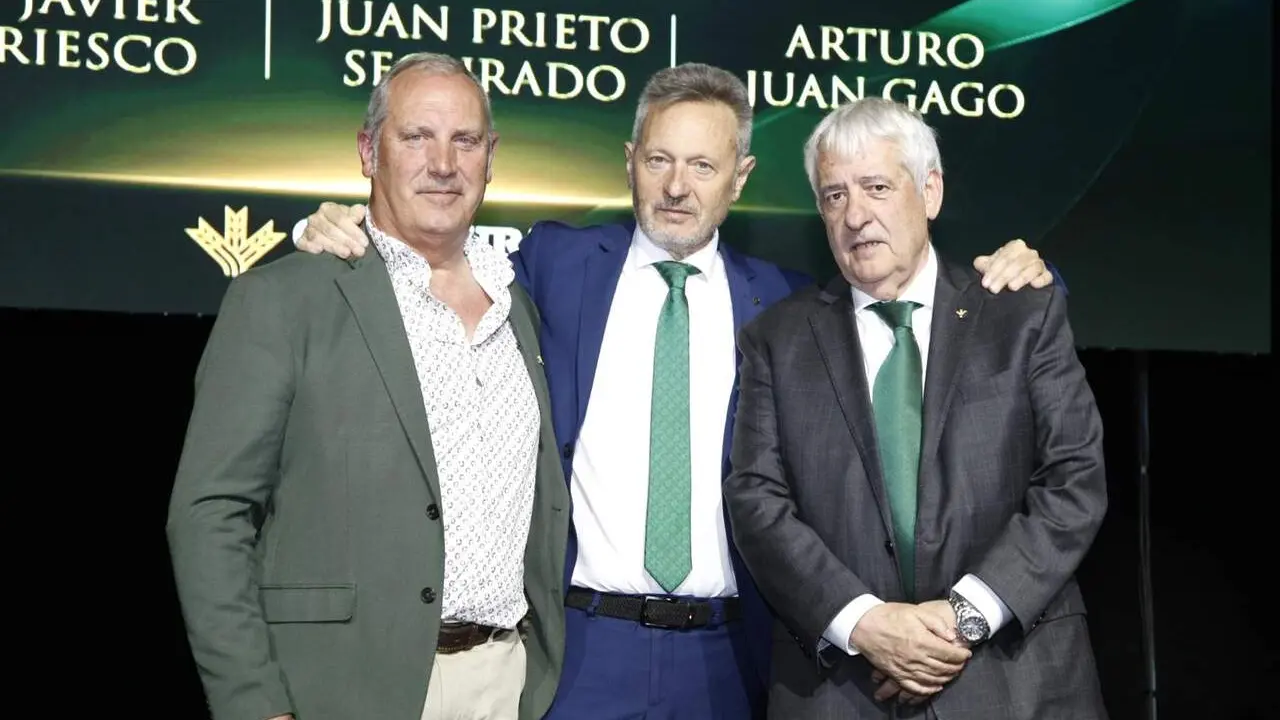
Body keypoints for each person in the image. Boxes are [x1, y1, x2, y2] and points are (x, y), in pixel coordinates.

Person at [294, 64, 1055, 719]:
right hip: (579, 648)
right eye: (659, 159)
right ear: (629, 161)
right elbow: (430, 259)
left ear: (741, 175)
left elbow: (918, 311)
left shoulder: (793, 308)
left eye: (702, 165)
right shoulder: (553, 264)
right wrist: (330, 226)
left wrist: (1018, 270)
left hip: (733, 654)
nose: (677, 187)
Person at [165, 52, 570, 720]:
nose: (443, 163)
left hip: (507, 685)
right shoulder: (284, 300)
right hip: (340, 689)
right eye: (416, 137)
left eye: (464, 140)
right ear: (368, 150)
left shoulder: (518, 306)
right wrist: (253, 702)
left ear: (490, 157)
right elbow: (210, 513)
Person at [722, 95, 1108, 720]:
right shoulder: (777, 340)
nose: (855, 216)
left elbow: (1074, 478)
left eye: (876, 187)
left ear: (930, 192)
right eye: (834, 195)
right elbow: (757, 501)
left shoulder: (1018, 314)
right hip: (846, 690)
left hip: (1016, 684)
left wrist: (964, 618)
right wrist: (866, 624)